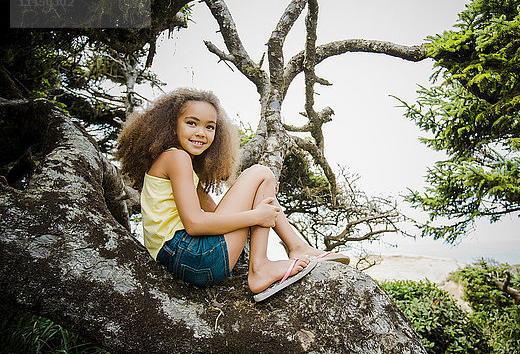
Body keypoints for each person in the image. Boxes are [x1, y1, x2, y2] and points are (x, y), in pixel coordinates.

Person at [116, 88, 349, 301]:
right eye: (191, 123)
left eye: (210, 127)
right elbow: (196, 224)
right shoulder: (177, 158)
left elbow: (215, 214)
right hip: (191, 256)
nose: (201, 133)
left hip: (187, 260)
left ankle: (294, 249)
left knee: (262, 181)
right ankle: (262, 267)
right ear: (171, 125)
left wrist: (259, 198)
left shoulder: (180, 165)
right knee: (261, 172)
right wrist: (256, 216)